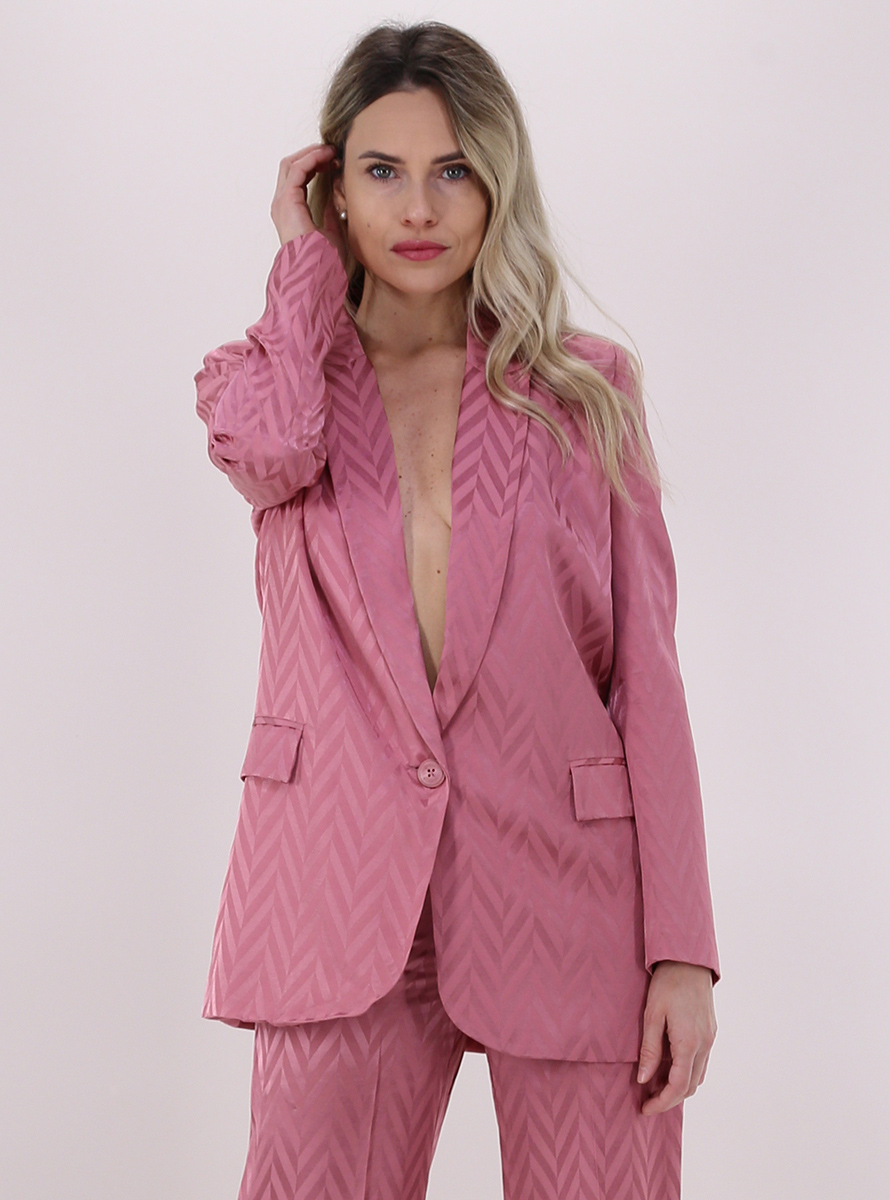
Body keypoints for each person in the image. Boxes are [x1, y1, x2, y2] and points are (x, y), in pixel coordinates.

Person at [194, 18, 720, 1200]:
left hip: (570, 892)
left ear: (496, 184)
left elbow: (648, 675)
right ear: (332, 186)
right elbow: (270, 458)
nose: (419, 208)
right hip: (334, 891)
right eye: (381, 171)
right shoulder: (268, 382)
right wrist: (300, 270)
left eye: (453, 171)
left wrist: (681, 949)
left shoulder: (584, 390)